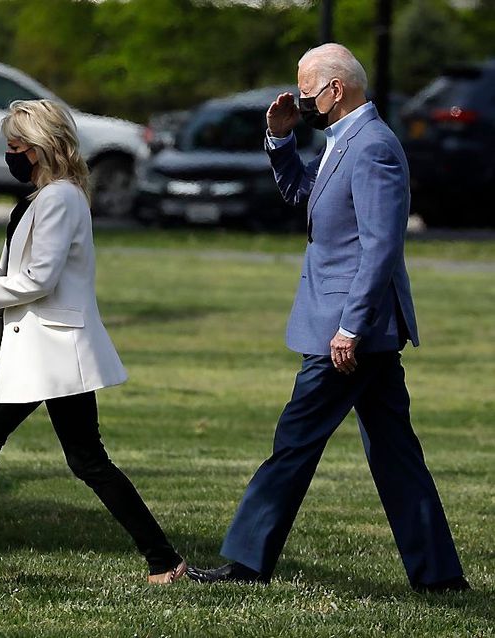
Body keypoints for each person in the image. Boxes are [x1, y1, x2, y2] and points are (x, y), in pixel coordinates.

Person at [187, 44, 469, 593]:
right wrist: (280, 140)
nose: (303, 101)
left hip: (350, 332)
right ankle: (439, 577)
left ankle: (246, 565)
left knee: (294, 441)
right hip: (356, 328)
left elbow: (381, 246)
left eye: (308, 92)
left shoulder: (374, 147)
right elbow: (305, 195)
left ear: (337, 90)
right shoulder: (345, 140)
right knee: (395, 452)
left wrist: (352, 326)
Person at [0, 99, 185, 585]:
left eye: (15, 147)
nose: (10, 155)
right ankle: (163, 561)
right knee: (84, 459)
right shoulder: (56, 195)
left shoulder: (58, 198)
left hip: (47, 348)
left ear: (39, 149)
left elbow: (41, 277)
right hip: (39, 346)